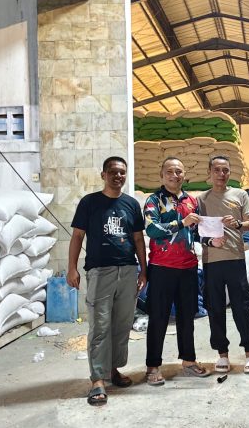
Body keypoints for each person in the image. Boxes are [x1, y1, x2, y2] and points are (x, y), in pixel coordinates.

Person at [68, 156, 147, 406]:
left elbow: (138, 239)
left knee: (121, 325)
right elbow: (77, 236)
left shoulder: (131, 204)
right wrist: (72, 268)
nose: (118, 176)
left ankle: (113, 370)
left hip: (128, 271)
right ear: (103, 175)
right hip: (100, 272)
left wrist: (143, 271)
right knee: (100, 326)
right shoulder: (89, 202)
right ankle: (97, 379)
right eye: (113, 172)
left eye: (122, 172)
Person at [142, 157, 214, 386]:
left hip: (188, 268)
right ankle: (153, 366)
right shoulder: (153, 200)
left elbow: (198, 233)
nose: (175, 175)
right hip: (161, 268)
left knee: (187, 317)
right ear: (162, 175)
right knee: (158, 318)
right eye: (170, 171)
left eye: (179, 171)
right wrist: (181, 223)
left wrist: (213, 240)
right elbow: (152, 229)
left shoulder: (192, 201)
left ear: (184, 175)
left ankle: (188, 361)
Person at [197, 155, 249, 374]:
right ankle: (222, 354)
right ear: (209, 172)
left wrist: (239, 223)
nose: (221, 174)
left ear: (230, 173)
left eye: (225, 170)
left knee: (242, 307)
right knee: (215, 308)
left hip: (235, 259)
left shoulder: (240, 195)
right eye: (217, 170)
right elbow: (196, 230)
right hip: (211, 261)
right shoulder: (201, 199)